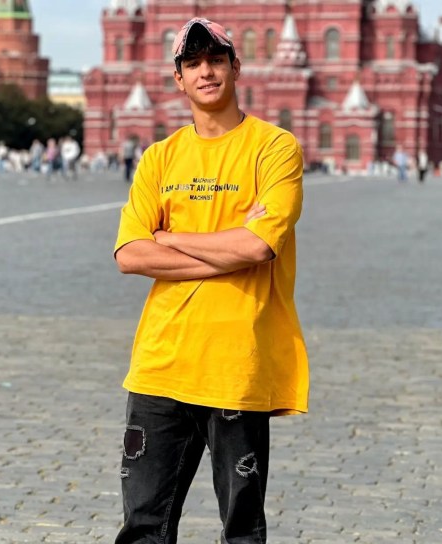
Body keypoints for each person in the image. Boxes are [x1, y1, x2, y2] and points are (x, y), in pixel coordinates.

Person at [112, 17, 309, 544]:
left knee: (241, 531)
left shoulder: (275, 148)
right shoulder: (159, 158)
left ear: (235, 67)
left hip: (235, 364)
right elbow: (130, 254)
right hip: (160, 366)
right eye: (193, 63)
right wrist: (230, 250)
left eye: (216, 60)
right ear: (178, 78)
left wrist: (170, 238)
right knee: (143, 528)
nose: (206, 72)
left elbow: (258, 247)